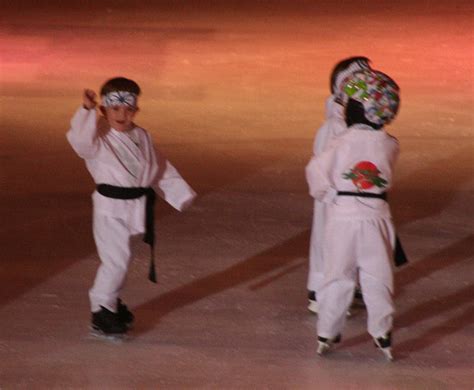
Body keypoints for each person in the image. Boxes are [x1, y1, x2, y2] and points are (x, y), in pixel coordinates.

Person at [67, 77, 196, 336]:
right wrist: (85, 112)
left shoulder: (142, 136)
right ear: (104, 110)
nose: (122, 114)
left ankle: (111, 304)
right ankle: (101, 309)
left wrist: (178, 193)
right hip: (110, 210)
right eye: (115, 109)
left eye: (128, 109)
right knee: (116, 261)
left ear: (136, 110)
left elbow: (158, 166)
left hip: (133, 206)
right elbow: (80, 143)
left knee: (120, 260)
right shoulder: (97, 139)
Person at [305, 69, 401, 360]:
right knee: (378, 276)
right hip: (376, 217)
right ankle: (382, 331)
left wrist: (329, 194)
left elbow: (316, 172)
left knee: (337, 276)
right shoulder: (390, 144)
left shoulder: (341, 141)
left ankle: (327, 331)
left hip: (343, 217)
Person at [307, 57, 372, 313]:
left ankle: (343, 284)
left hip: (350, 198)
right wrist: (332, 193)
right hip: (334, 198)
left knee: (350, 243)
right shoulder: (332, 128)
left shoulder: (354, 125)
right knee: (330, 240)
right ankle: (321, 290)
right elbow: (320, 169)